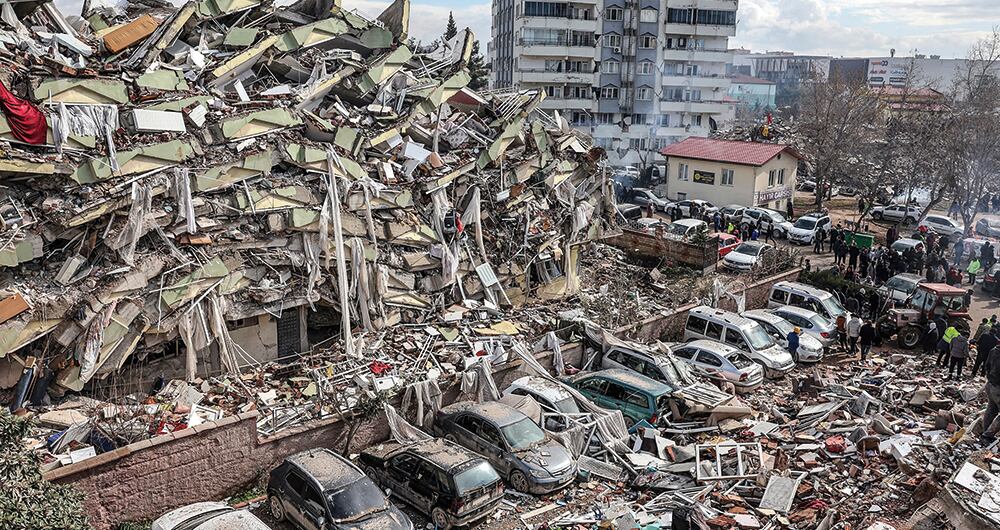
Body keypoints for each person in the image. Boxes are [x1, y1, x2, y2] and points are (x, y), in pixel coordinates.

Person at [980, 342, 1000, 445]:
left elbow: (986, 365)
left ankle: (985, 432)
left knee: (991, 409)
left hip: (990, 384)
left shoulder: (993, 350)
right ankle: (987, 435)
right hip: (998, 387)